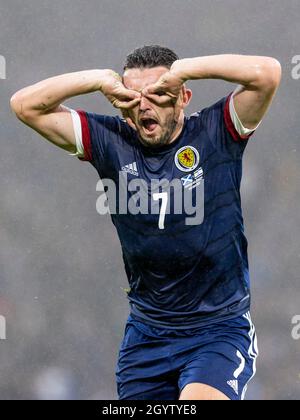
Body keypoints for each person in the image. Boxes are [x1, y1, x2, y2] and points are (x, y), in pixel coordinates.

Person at [10, 45, 281, 400]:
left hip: (217, 329)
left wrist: (186, 69)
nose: (143, 106)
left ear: (183, 96)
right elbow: (24, 105)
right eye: (133, 96)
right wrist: (97, 80)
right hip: (148, 336)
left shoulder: (217, 132)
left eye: (157, 93)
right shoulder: (110, 140)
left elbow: (268, 73)